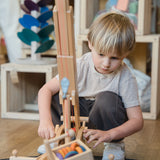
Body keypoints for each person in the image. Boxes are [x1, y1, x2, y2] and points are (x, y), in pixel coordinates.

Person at [38, 12, 143, 160]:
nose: (106, 64)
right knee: (58, 94)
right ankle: (58, 138)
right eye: (101, 54)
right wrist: (45, 121)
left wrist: (110, 134)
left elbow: (137, 121)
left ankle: (114, 145)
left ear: (125, 55)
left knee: (107, 99)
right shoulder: (80, 65)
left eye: (114, 58)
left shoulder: (125, 77)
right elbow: (45, 90)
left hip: (104, 118)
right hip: (77, 112)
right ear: (90, 44)